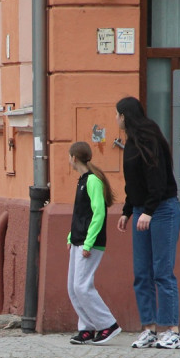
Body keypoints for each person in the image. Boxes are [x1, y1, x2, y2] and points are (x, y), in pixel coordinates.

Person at [115, 96, 180, 350]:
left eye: (117, 114)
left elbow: (157, 178)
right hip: (143, 210)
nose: (116, 119)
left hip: (163, 209)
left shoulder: (149, 138)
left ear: (125, 116)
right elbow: (134, 183)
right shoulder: (131, 142)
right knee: (142, 273)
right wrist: (128, 210)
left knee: (162, 272)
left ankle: (172, 330)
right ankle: (149, 329)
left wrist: (150, 211)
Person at [66, 141, 122, 346]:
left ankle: (108, 324)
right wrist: (71, 237)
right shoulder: (82, 180)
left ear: (73, 158)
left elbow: (98, 214)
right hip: (78, 241)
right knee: (73, 288)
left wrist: (88, 243)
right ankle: (87, 329)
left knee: (82, 286)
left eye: (68, 157)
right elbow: (81, 213)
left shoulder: (92, 181)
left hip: (91, 243)